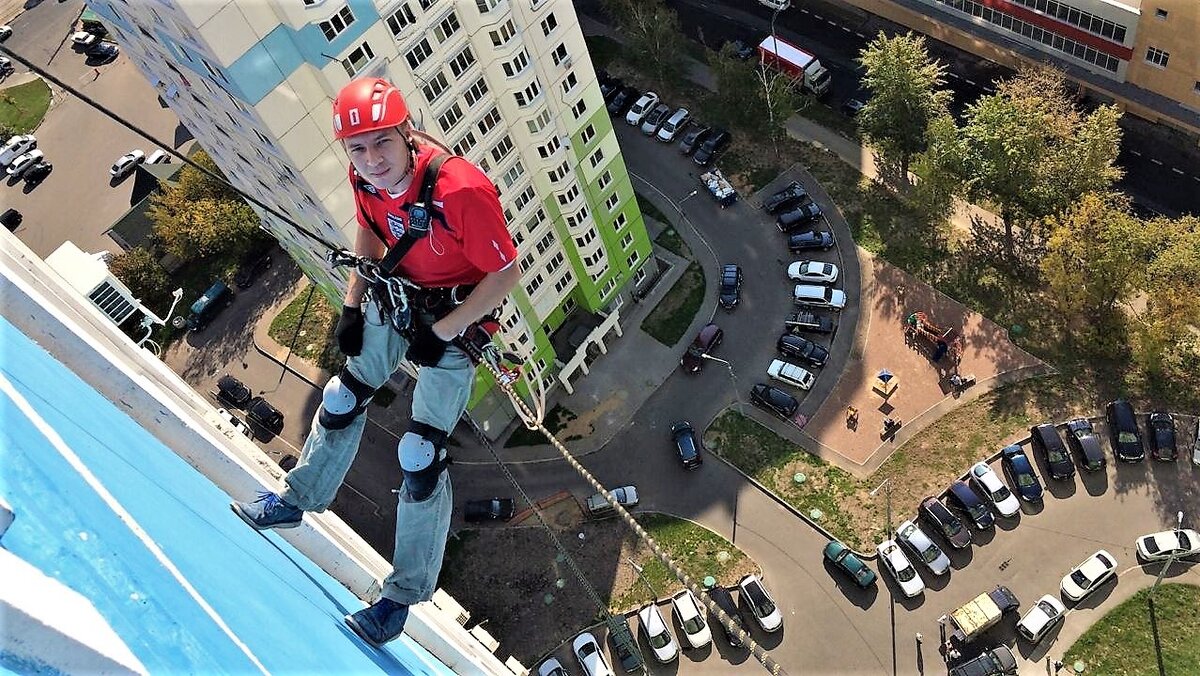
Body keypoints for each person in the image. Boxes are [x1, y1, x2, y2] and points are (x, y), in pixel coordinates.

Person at [230, 77, 520, 647]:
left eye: (381, 143)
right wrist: (352, 306)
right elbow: (368, 228)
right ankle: (296, 499)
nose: (371, 160)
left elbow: (504, 273)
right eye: (357, 149)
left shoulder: (460, 190)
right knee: (340, 399)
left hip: (456, 319)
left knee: (421, 455)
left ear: (406, 133)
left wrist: (445, 331)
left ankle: (399, 600)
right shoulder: (365, 176)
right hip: (398, 298)